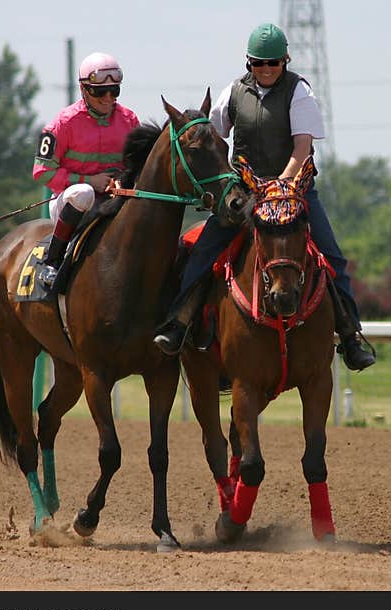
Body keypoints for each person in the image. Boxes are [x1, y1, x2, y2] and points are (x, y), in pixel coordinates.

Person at [153, 23, 375, 371]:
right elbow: (213, 138)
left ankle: (350, 336)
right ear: (248, 63)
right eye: (259, 63)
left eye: (273, 63)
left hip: (293, 192)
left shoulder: (299, 91)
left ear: (285, 61)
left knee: (332, 257)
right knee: (204, 249)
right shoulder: (233, 93)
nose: (267, 69)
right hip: (245, 193)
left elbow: (302, 148)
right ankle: (178, 324)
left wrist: (282, 185)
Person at [32, 51, 140, 287]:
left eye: (115, 91)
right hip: (70, 201)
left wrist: (122, 181)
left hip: (115, 198)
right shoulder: (63, 123)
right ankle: (53, 261)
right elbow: (42, 171)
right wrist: (90, 181)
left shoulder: (130, 120)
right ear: (83, 89)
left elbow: (138, 165)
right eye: (100, 91)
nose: (108, 98)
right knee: (83, 193)